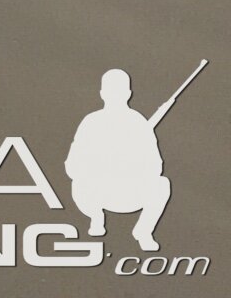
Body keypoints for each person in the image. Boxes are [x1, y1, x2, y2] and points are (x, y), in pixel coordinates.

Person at [65, 68, 175, 251]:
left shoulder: (139, 123)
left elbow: (156, 166)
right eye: (111, 91)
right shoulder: (91, 122)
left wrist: (131, 165)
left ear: (128, 94)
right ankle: (96, 217)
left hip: (130, 192)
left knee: (162, 185)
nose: (114, 95)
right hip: (97, 192)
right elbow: (72, 164)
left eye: (118, 91)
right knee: (78, 183)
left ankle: (143, 231)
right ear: (102, 94)